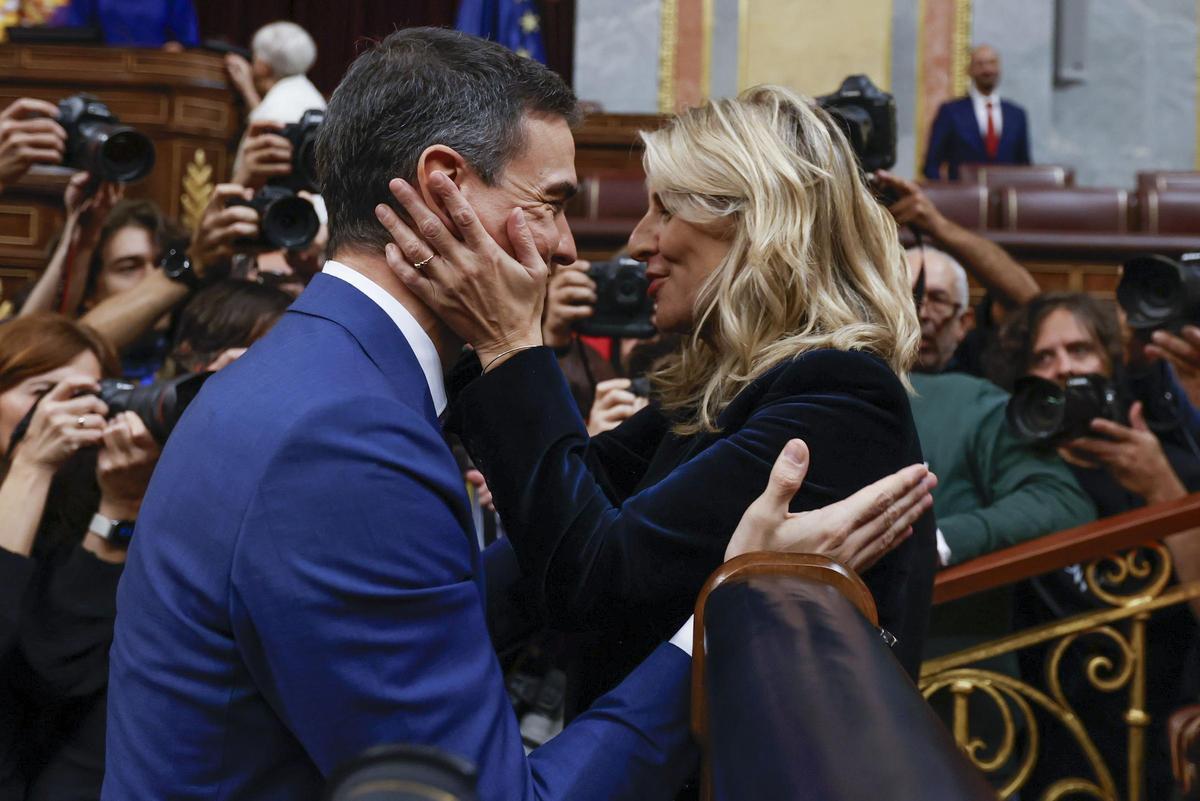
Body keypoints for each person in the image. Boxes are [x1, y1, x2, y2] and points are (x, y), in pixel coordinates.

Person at [103, 28, 935, 801]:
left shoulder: (309, 380)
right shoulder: (343, 439)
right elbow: (560, 581)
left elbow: (561, 570)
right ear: (445, 190)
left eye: (664, 207)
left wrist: (511, 347)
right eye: (555, 202)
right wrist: (732, 606)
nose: (588, 247)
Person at [378, 67, 939, 706]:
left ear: (758, 224)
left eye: (664, 210)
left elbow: (595, 581)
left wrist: (511, 342)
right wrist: (388, 651)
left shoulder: (840, 396)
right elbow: (563, 522)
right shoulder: (717, 387)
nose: (637, 241)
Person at [991, 292, 1200, 799]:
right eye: (1044, 357)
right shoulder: (1015, 475)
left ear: (1110, 363)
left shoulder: (1177, 465)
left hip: (1157, 717)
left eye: (1080, 350)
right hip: (1047, 728)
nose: (1062, 367)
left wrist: (1160, 488)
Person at [0, 314, 159, 800]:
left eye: (86, 396)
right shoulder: (32, 474)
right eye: (42, 392)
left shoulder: (90, 498)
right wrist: (30, 463)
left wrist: (119, 507)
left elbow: (61, 670)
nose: (62, 414)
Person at [923, 44, 1031, 180]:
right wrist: (946, 195)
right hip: (963, 196)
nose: (987, 69)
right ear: (969, 70)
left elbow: (1025, 166)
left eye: (992, 63)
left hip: (1006, 195)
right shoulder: (950, 112)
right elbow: (931, 165)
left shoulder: (1016, 115)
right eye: (980, 64)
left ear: (999, 68)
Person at [225, 21, 326, 124]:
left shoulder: (276, 108)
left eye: (255, 56)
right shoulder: (312, 96)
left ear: (263, 66)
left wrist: (247, 87)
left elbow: (263, 124)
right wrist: (247, 87)